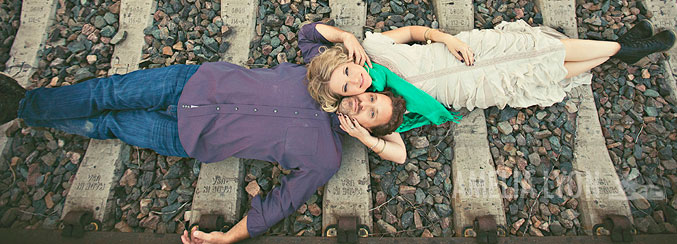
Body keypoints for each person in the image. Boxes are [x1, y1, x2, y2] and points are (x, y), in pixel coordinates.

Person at [0, 23, 406, 244]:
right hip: (190, 82)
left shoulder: (326, 158)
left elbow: (278, 205)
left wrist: (228, 238)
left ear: (367, 130)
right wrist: (347, 36)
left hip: (184, 135)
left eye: (372, 115)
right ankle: (24, 106)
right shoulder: (327, 77)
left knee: (110, 123)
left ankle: (24, 110)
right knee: (110, 91)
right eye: (371, 97)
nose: (363, 104)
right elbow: (308, 33)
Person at [306, 19, 675, 126]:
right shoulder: (375, 106)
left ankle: (625, 49)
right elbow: (393, 148)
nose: (356, 81)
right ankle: (623, 49)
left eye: (348, 71)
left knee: (547, 50)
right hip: (475, 86)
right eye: (347, 87)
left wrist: (445, 38)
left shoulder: (373, 49)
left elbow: (415, 34)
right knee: (548, 74)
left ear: (349, 58)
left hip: (469, 52)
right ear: (346, 99)